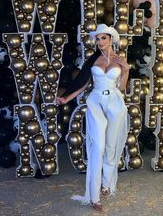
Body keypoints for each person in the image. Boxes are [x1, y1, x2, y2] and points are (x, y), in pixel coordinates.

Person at [56, 24, 130, 212]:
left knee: (112, 146)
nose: (99, 42)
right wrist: (66, 98)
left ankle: (106, 184)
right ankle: (94, 195)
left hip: (115, 102)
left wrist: (126, 70)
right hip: (96, 100)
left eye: (103, 38)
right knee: (98, 146)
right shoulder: (93, 61)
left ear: (110, 39)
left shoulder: (120, 60)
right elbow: (82, 84)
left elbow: (121, 88)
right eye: (97, 39)